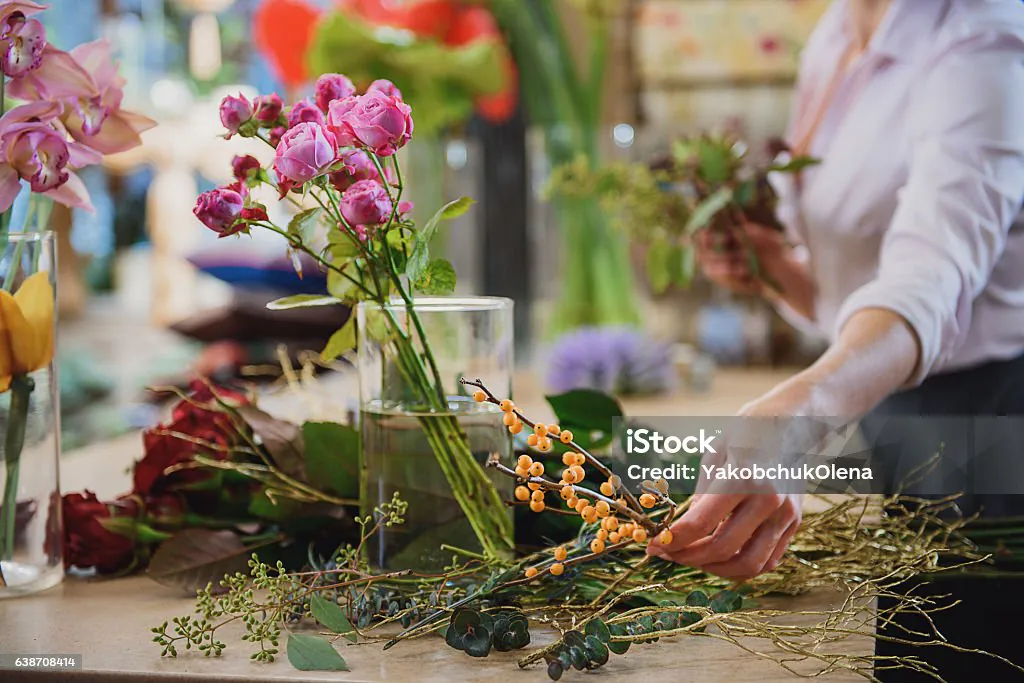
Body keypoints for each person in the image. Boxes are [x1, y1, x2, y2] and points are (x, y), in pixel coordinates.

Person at [646, 0, 1024, 680]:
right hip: (885, 408)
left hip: (990, 434)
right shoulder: (839, 30)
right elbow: (855, 296)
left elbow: (928, 285)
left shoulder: (983, 40)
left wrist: (797, 419)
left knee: (961, 654)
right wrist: (775, 271)